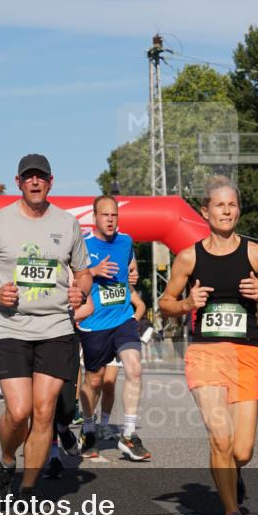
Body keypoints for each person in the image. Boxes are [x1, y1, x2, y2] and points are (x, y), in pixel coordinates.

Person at [159, 175, 258, 515]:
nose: (226, 211)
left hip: (247, 354)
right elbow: (165, 304)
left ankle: (234, 474)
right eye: (219, 205)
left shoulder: (257, 253)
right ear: (205, 211)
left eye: (232, 205)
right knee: (221, 438)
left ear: (238, 210)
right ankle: (231, 514)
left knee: (242, 450)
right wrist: (186, 304)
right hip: (206, 353)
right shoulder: (189, 257)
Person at [0, 153, 91, 498]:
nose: (35, 182)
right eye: (28, 177)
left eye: (41, 177)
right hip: (12, 327)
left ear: (51, 183)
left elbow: (83, 272)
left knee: (44, 411)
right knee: (19, 412)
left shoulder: (67, 223)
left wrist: (81, 291)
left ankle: (27, 489)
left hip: (56, 327)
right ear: (18, 182)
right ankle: (8, 461)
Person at [76, 195, 149, 461]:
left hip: (122, 318)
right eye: (105, 215)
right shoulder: (83, 245)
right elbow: (70, 279)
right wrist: (93, 271)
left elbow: (131, 266)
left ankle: (128, 434)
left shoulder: (126, 241)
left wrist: (134, 273)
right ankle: (87, 427)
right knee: (93, 380)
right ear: (94, 218)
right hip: (94, 323)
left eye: (114, 215)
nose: (110, 219)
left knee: (134, 368)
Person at [97, 288, 146, 441]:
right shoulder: (92, 273)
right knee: (94, 381)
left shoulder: (124, 281)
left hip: (119, 334)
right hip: (96, 331)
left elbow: (140, 305)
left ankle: (104, 425)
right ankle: (88, 424)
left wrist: (131, 323)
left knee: (109, 382)